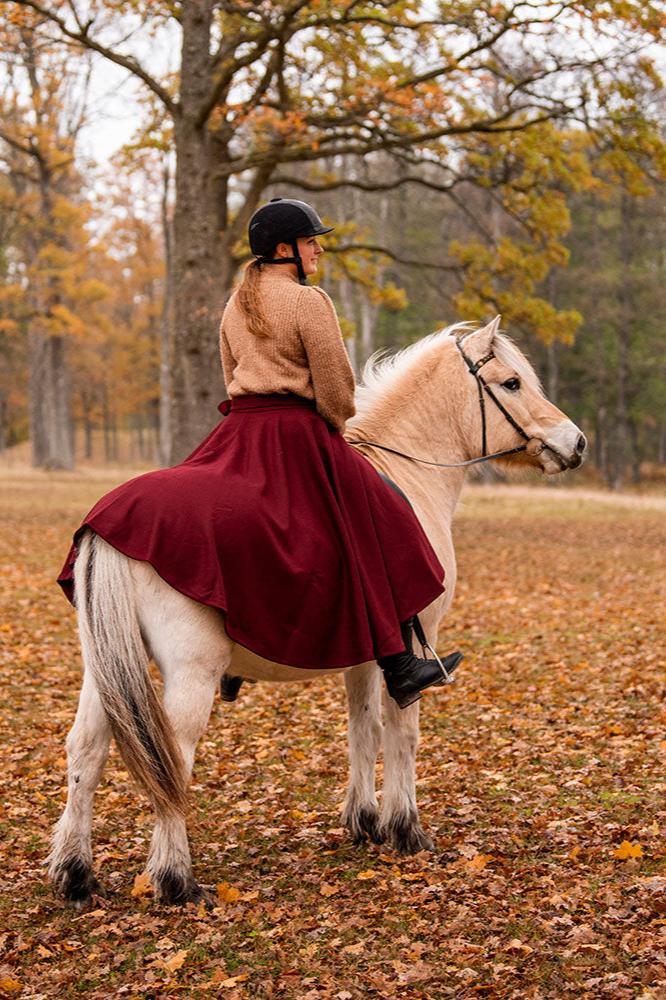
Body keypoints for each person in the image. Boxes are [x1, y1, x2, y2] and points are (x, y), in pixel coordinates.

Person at [57, 196, 462, 709]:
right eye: (311, 241)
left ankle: (236, 663)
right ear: (283, 249)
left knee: (236, 511)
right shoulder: (309, 302)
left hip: (241, 429)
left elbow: (230, 376)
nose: (317, 250)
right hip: (298, 433)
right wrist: (334, 428)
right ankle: (401, 662)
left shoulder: (236, 303)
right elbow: (337, 389)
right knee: (387, 515)